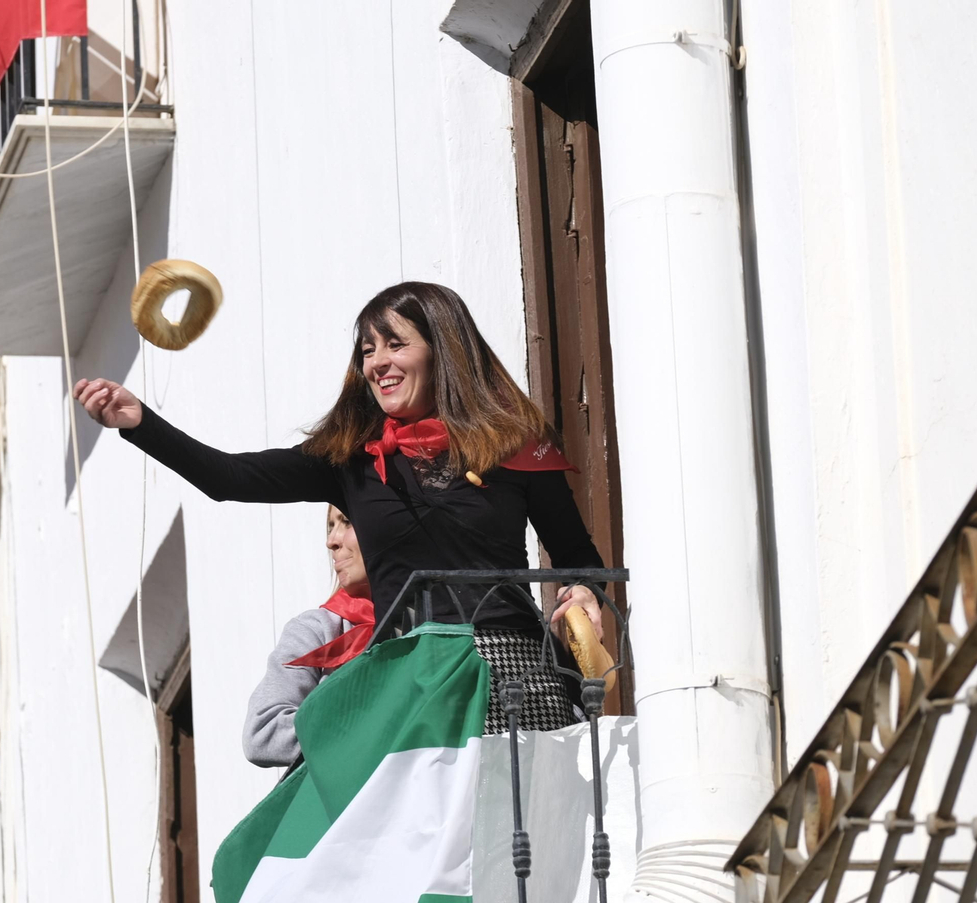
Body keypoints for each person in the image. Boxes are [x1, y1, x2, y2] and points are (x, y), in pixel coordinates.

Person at [76, 281, 605, 733]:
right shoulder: (350, 458)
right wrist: (141, 424)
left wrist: (584, 592)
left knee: (520, 837)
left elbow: (579, 557)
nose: (377, 363)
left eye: (394, 344)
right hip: (409, 675)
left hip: (511, 671)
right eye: (367, 350)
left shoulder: (517, 445)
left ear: (443, 351)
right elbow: (228, 478)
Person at [243, 506, 373, 768]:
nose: (331, 541)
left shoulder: (441, 621)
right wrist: (371, 732)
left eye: (346, 522)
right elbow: (262, 735)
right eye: (330, 526)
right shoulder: (317, 630)